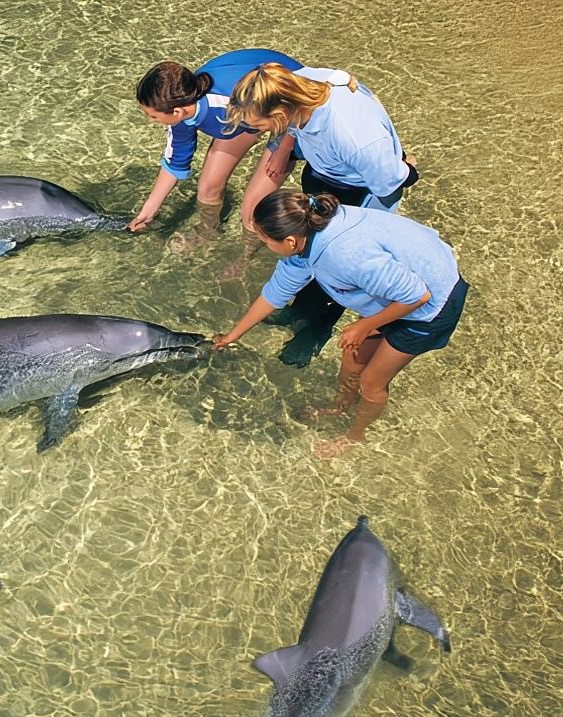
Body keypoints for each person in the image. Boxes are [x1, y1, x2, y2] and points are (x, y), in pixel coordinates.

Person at [213, 190, 468, 458]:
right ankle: (340, 407)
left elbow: (417, 296)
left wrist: (365, 326)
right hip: (400, 290)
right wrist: (231, 337)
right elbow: (275, 293)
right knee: (352, 359)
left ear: (289, 241)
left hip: (434, 304)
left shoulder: (346, 255)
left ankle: (355, 436)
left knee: (371, 382)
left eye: (265, 241)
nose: (265, 246)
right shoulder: (307, 229)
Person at [225, 63, 420, 367]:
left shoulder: (353, 136)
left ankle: (318, 327)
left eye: (258, 125)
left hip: (361, 194)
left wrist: (355, 235)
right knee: (305, 251)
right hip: (324, 173)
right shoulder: (300, 84)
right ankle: (299, 310)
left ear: (280, 112)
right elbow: (336, 81)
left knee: (337, 265)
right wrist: (284, 147)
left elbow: (391, 183)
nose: (255, 131)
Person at [128, 49, 305, 251]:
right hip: (247, 118)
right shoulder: (182, 107)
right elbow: (175, 161)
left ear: (177, 112)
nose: (151, 121)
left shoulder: (228, 101)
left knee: (252, 214)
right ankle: (208, 232)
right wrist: (147, 213)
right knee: (207, 189)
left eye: (153, 116)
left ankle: (246, 256)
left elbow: (298, 106)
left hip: (293, 114)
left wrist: (284, 149)